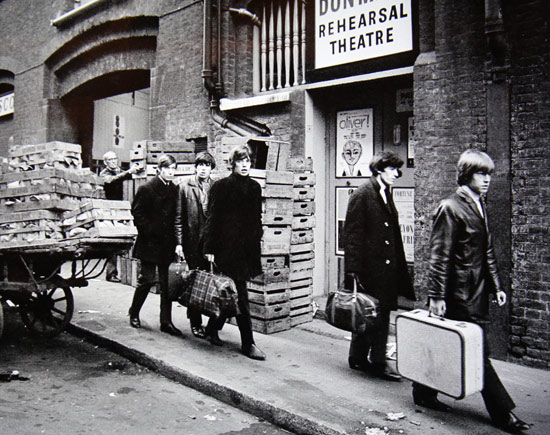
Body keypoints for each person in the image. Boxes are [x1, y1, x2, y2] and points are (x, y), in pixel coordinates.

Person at [411, 149, 530, 432]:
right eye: (481, 173)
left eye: (489, 173)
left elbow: (486, 251)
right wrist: (437, 297)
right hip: (457, 293)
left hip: (475, 291)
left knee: (445, 343)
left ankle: (423, 392)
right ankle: (503, 413)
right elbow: (439, 256)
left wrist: (496, 286)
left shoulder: (478, 204)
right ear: (466, 174)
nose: (487, 179)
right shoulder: (451, 206)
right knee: (477, 352)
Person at [344, 151, 416, 381]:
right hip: (369, 268)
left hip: (385, 268)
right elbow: (352, 234)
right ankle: (378, 362)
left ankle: (358, 357)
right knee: (375, 313)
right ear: (379, 169)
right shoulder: (363, 194)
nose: (396, 174)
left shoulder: (385, 192)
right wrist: (353, 270)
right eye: (392, 169)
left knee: (375, 312)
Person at [202, 144, 266, 360]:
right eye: (240, 161)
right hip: (226, 250)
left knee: (229, 293)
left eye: (247, 161)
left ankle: (212, 328)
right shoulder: (221, 187)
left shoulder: (255, 188)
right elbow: (212, 219)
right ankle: (248, 343)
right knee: (241, 296)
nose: (245, 165)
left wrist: (257, 238)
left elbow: (257, 218)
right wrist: (209, 249)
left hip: (247, 251)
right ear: (233, 164)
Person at [128, 154, 183, 337]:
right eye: (167, 168)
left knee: (167, 284)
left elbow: (177, 216)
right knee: (147, 279)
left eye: (173, 169)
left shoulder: (175, 189)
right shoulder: (147, 188)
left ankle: (166, 322)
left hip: (166, 244)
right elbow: (137, 213)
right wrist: (149, 231)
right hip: (150, 243)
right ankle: (134, 312)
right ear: (159, 169)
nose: (170, 172)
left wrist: (176, 242)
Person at [174, 151, 217, 339]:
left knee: (212, 283)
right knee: (194, 282)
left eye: (206, 166)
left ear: (211, 168)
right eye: (200, 165)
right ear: (195, 167)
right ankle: (195, 322)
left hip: (210, 244)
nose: (203, 169)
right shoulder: (184, 187)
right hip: (192, 243)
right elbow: (178, 218)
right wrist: (179, 243)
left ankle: (212, 325)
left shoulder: (216, 187)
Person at [99, 150, 140, 282]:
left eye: (114, 159)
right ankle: (111, 273)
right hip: (111, 211)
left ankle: (128, 273)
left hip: (124, 209)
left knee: (126, 240)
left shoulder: (120, 171)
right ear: (105, 162)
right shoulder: (104, 174)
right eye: (110, 160)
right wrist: (129, 172)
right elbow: (111, 181)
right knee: (113, 241)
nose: (113, 161)